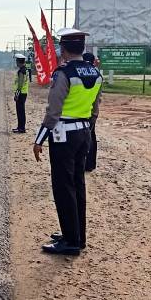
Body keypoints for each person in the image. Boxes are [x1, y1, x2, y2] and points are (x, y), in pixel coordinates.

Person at [33, 28, 102, 255]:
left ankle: (70, 242)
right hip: (83, 133)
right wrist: (87, 130)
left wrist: (39, 140)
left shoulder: (63, 74)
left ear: (63, 49)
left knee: (63, 187)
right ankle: (77, 235)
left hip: (63, 136)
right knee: (78, 185)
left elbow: (53, 111)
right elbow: (95, 109)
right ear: (82, 48)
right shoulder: (94, 72)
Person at [83, 52, 100, 172]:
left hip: (85, 111)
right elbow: (99, 96)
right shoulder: (97, 74)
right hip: (93, 111)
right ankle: (91, 164)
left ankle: (86, 164)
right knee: (91, 137)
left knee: (86, 138)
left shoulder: (81, 73)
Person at [13, 54, 29, 133]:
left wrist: (16, 95)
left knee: (20, 112)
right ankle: (20, 127)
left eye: (16, 61)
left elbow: (20, 84)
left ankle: (21, 128)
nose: (16, 63)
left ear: (19, 62)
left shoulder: (21, 71)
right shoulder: (25, 69)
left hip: (21, 93)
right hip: (24, 93)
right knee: (21, 111)